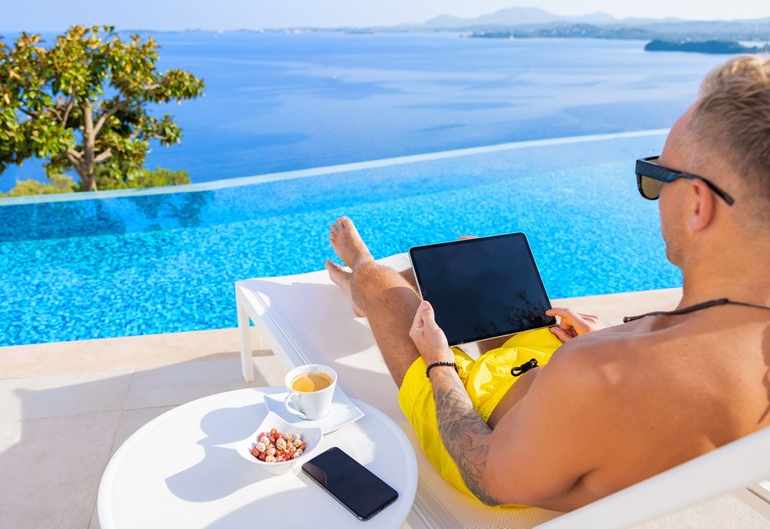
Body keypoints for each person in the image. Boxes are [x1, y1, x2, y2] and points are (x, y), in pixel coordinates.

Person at [323, 55, 770, 512]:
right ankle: (375, 288)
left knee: (379, 279)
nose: (653, 195)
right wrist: (601, 341)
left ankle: (363, 279)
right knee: (478, 255)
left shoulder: (600, 374)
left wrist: (439, 363)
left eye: (655, 177)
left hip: (491, 427)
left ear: (697, 203)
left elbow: (487, 476)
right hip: (556, 395)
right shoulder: (745, 343)